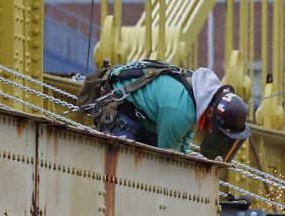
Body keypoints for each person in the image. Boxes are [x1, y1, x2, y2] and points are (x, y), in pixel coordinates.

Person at [79, 61, 252, 160]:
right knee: (127, 166)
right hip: (117, 108)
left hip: (139, 111)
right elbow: (167, 160)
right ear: (210, 113)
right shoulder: (180, 112)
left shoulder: (197, 94)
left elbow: (183, 140)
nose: (209, 131)